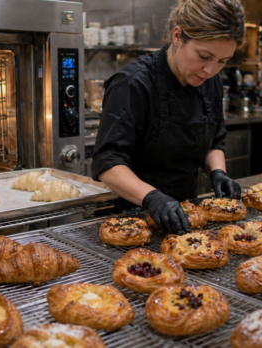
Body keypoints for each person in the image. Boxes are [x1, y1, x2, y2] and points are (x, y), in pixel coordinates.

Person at [92, 0, 245, 235]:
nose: (211, 70)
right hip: (128, 222)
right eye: (204, 56)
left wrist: (218, 172)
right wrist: (151, 197)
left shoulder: (210, 81)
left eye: (222, 61)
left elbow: (214, 140)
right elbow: (108, 162)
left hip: (183, 218)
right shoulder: (133, 83)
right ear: (177, 36)